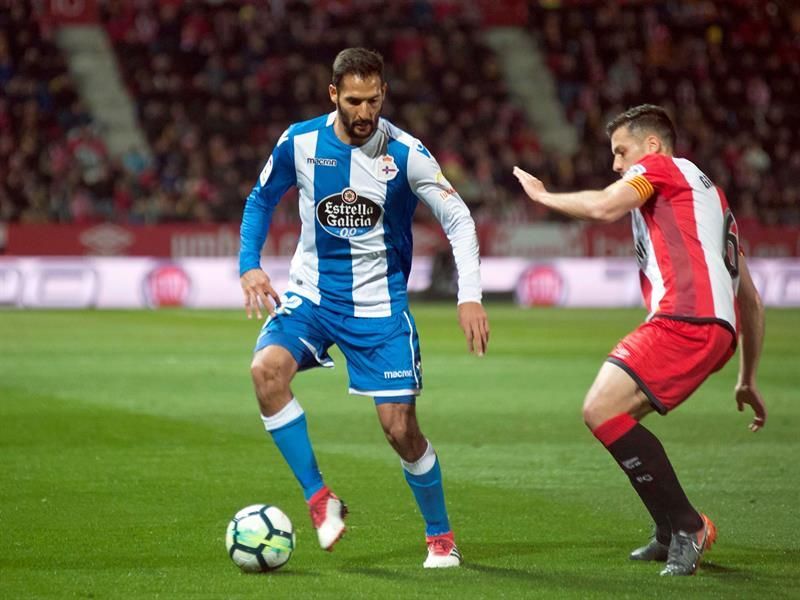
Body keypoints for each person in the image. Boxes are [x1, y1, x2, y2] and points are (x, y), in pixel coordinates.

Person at [238, 48, 489, 568]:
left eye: (373, 100)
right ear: (333, 95)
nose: (364, 112)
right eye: (354, 100)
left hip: (379, 309)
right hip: (311, 298)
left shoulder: (407, 153)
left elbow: (459, 219)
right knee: (265, 372)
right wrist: (249, 264)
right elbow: (261, 199)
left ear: (383, 94)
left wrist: (469, 297)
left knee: (400, 429)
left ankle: (440, 536)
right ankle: (318, 498)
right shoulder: (300, 141)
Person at [513, 104, 766, 576]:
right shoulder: (711, 197)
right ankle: (669, 528)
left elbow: (605, 205)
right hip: (713, 329)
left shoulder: (659, 167)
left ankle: (689, 526)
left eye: (620, 152)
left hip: (686, 319)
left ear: (650, 146)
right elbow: (750, 298)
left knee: (599, 409)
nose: (616, 164)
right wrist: (747, 376)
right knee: (617, 416)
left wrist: (545, 197)